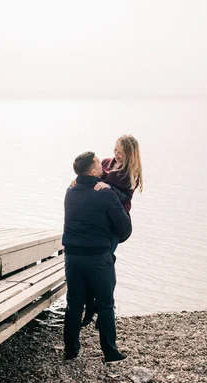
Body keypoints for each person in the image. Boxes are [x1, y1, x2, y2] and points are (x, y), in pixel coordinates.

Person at [62, 151, 132, 364]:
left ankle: (71, 350)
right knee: (105, 303)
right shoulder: (105, 193)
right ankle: (110, 352)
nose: (104, 166)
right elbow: (124, 228)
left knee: (74, 303)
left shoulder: (70, 190)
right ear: (93, 171)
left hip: (72, 256)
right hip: (97, 256)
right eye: (99, 164)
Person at [81, 134, 144, 327]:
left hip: (115, 223)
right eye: (115, 150)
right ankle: (91, 305)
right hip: (99, 221)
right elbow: (90, 175)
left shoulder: (131, 173)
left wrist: (106, 186)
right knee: (93, 265)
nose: (116, 154)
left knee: (104, 265)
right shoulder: (107, 163)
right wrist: (79, 180)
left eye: (120, 152)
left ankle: (105, 307)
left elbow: (124, 197)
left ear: (130, 154)